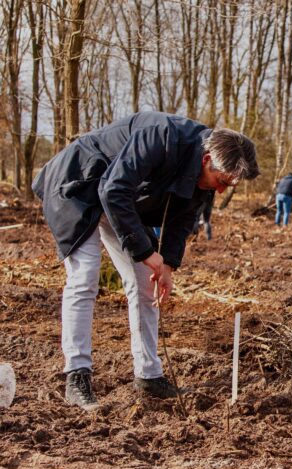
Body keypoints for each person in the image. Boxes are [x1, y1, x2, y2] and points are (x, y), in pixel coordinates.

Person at [32, 112, 259, 410]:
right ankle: (77, 376)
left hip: (119, 200)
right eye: (220, 182)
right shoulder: (161, 136)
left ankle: (149, 375)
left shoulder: (205, 169)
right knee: (85, 277)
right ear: (207, 161)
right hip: (78, 186)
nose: (219, 190)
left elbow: (184, 217)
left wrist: (167, 265)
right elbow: (113, 190)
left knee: (144, 281)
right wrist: (146, 251)